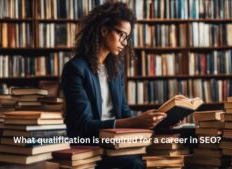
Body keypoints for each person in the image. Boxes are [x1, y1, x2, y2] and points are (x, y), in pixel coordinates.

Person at [61, 2, 168, 169]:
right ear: (104, 30)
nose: (124, 43)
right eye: (121, 35)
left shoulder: (116, 69)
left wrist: (156, 121)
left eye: (127, 38)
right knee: (134, 163)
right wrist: (136, 121)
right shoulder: (75, 69)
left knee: (167, 150)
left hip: (117, 141)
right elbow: (85, 125)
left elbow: (124, 112)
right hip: (89, 144)